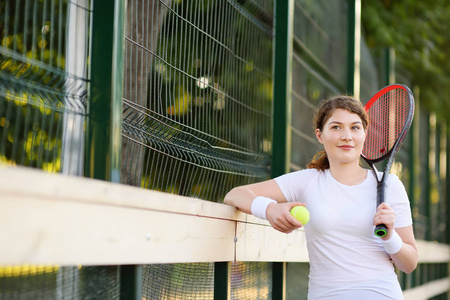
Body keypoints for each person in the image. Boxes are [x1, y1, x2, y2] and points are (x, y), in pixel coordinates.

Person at [224, 95, 418, 299]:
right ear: (320, 135)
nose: (346, 136)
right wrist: (270, 209)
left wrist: (390, 237)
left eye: (355, 127)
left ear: (365, 134)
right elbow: (235, 195)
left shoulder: (391, 186)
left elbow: (409, 264)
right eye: (336, 127)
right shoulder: (307, 181)